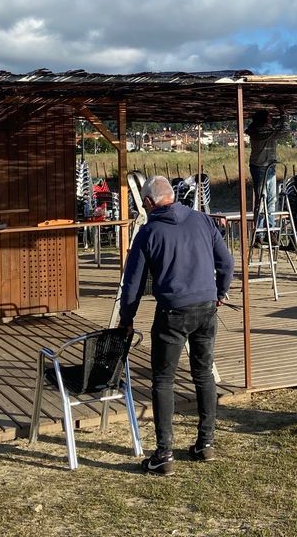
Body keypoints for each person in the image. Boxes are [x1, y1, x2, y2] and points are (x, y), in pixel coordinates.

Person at [118, 175, 234, 476]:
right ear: (173, 196)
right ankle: (205, 443)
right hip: (207, 307)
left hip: (172, 311)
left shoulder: (148, 233)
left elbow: (132, 285)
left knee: (163, 380)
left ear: (147, 203)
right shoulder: (202, 220)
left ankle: (164, 454)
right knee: (203, 373)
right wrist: (220, 291)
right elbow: (227, 263)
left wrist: (126, 320)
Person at [245, 110, 286, 227]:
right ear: (264, 120)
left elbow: (276, 124)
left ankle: (267, 230)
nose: (271, 120)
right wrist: (283, 114)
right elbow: (284, 130)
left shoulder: (257, 130)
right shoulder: (264, 132)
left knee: (267, 199)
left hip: (264, 166)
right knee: (264, 200)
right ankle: (263, 232)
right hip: (262, 167)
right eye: (269, 118)